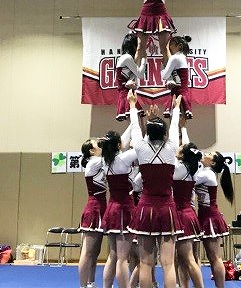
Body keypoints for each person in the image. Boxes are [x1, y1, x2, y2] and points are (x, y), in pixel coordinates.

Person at [128, 93, 183, 288]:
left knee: (145, 263)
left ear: (149, 133)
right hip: (167, 207)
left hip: (146, 207)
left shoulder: (140, 147)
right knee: (168, 264)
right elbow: (174, 127)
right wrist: (176, 108)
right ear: (164, 133)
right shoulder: (172, 146)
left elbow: (135, 127)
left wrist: (132, 105)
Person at [99, 95, 142, 288]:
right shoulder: (123, 159)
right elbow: (140, 145)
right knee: (123, 258)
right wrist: (133, 110)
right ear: (118, 146)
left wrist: (134, 114)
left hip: (112, 208)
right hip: (124, 209)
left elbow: (124, 138)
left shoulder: (105, 160)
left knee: (113, 255)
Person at [195, 152, 234, 288]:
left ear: (213, 163)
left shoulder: (207, 174)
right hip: (204, 214)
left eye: (210, 154)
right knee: (211, 257)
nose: (205, 153)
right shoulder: (205, 172)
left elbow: (189, 179)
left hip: (210, 216)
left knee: (215, 257)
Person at [173, 124, 204, 288]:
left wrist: (175, 126)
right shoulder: (194, 167)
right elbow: (188, 148)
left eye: (181, 148)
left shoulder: (179, 169)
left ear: (183, 155)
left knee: (189, 259)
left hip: (182, 215)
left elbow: (172, 148)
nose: (178, 147)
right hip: (188, 213)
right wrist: (184, 129)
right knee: (181, 258)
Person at [78, 139, 107, 288]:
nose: (101, 146)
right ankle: (83, 285)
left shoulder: (99, 162)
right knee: (87, 252)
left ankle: (91, 282)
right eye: (97, 144)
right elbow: (113, 157)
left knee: (95, 252)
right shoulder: (94, 162)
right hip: (94, 209)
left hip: (102, 207)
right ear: (91, 151)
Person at [115, 33, 146, 121]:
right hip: (126, 95)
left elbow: (135, 76)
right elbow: (140, 75)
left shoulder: (126, 58)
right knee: (135, 123)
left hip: (129, 94)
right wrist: (144, 59)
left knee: (137, 123)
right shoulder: (127, 57)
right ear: (133, 46)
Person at [161, 35, 193, 119]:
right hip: (183, 92)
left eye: (171, 44)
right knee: (181, 120)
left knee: (175, 119)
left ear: (179, 46)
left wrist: (162, 68)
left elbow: (165, 76)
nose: (170, 47)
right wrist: (167, 49)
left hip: (177, 92)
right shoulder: (183, 57)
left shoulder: (175, 58)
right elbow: (170, 59)